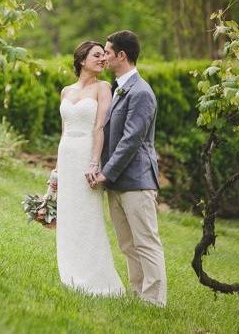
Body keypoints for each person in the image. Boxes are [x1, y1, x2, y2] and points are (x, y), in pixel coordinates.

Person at [88, 30, 167, 307]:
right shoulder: (117, 87)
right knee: (127, 244)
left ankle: (155, 300)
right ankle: (137, 294)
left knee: (146, 242)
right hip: (117, 182)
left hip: (137, 180)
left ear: (122, 55)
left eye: (108, 52)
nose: (104, 57)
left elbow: (131, 140)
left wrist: (106, 172)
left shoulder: (142, 92)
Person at [54, 40, 125, 297]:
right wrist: (56, 172)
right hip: (67, 155)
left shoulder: (103, 88)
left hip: (87, 156)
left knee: (88, 215)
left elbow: (99, 128)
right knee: (69, 216)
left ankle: (98, 278)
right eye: (97, 55)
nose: (103, 59)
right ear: (82, 59)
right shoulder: (65, 91)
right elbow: (63, 133)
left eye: (103, 56)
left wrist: (94, 163)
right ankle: (71, 271)